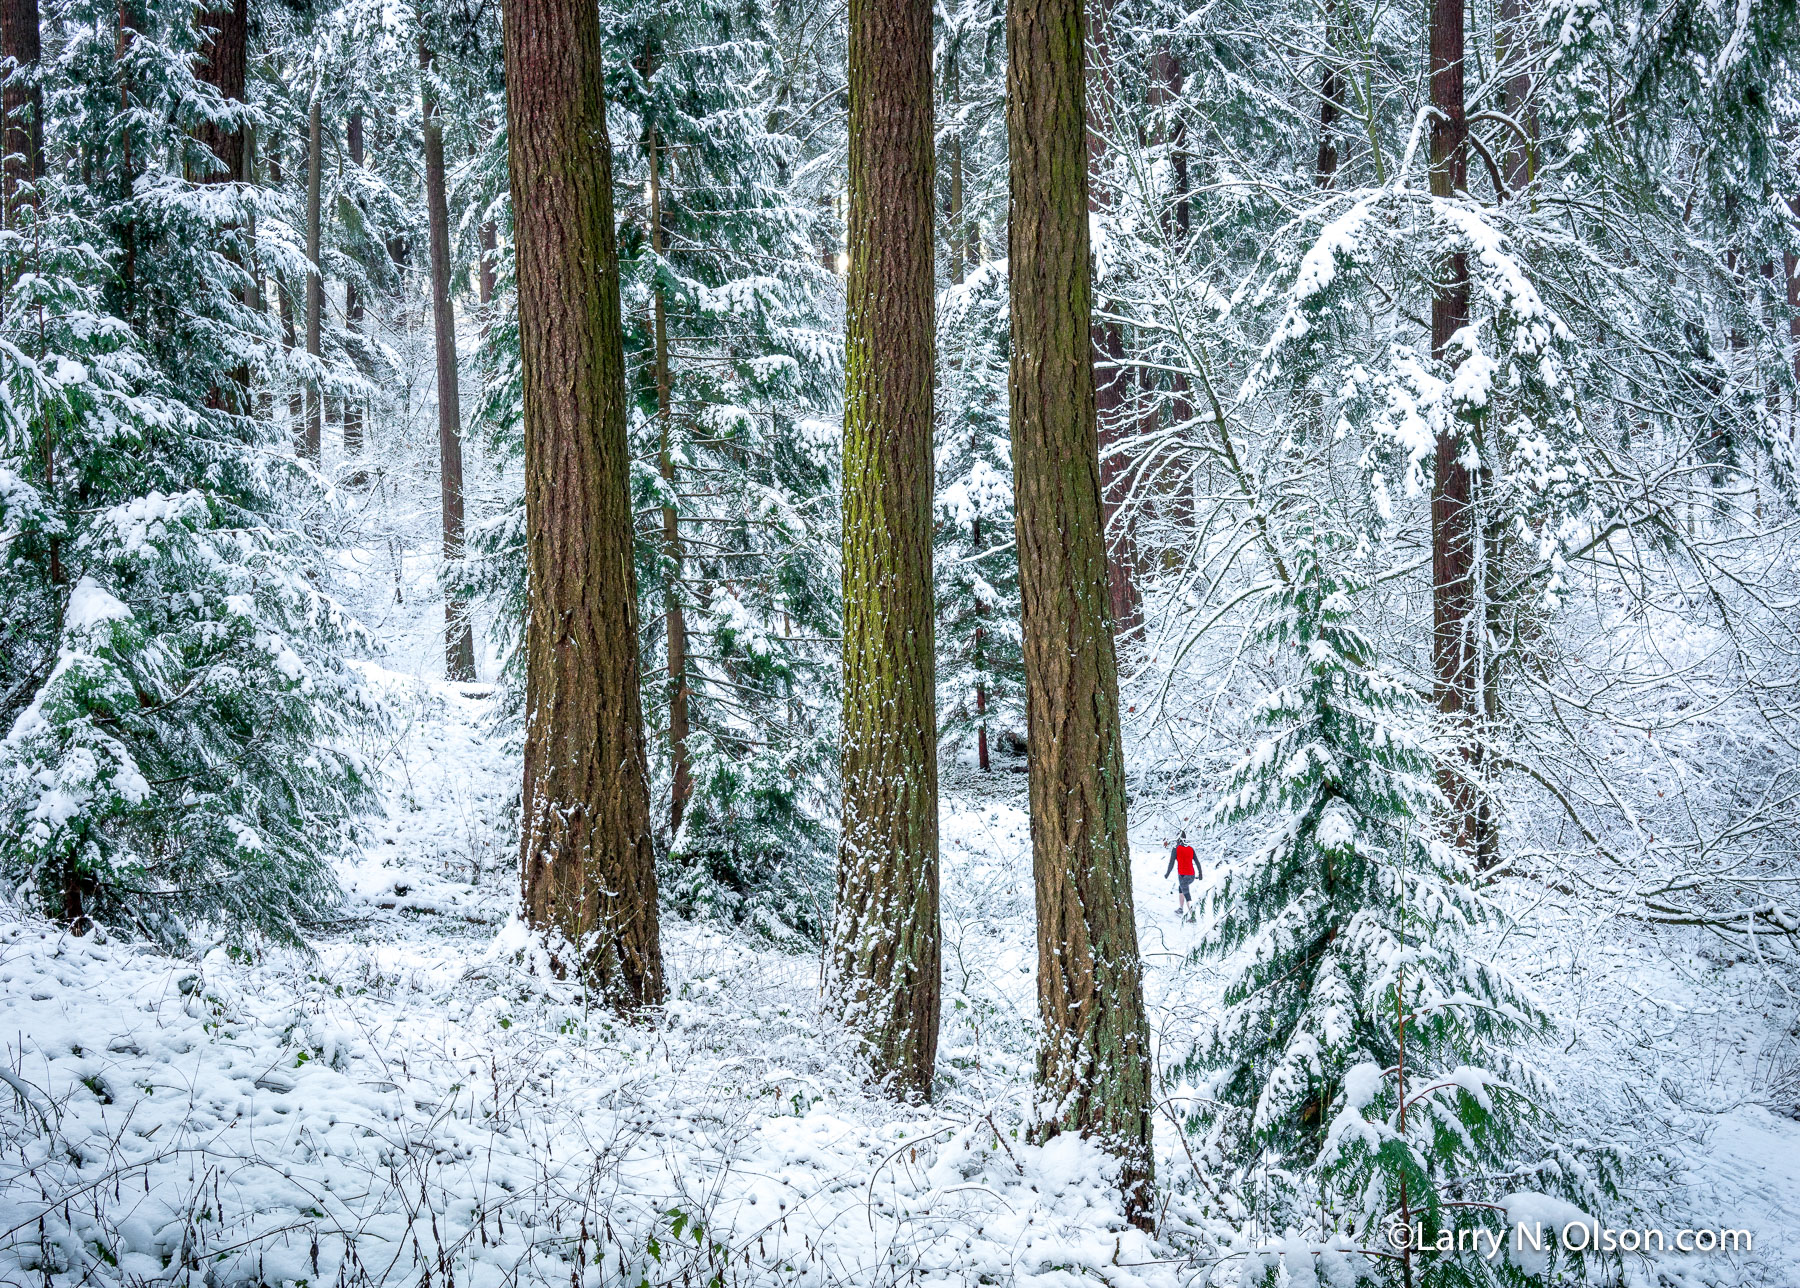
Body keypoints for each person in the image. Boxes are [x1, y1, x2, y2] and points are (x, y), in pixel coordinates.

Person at [1165, 831, 1199, 918]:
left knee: (1186, 894)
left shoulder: (1175, 849)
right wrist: (1200, 874)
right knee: (1181, 889)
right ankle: (1180, 908)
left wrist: (1167, 874)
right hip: (1191, 875)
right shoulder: (1190, 848)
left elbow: (1171, 863)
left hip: (1183, 875)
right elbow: (1197, 862)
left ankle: (1193, 916)